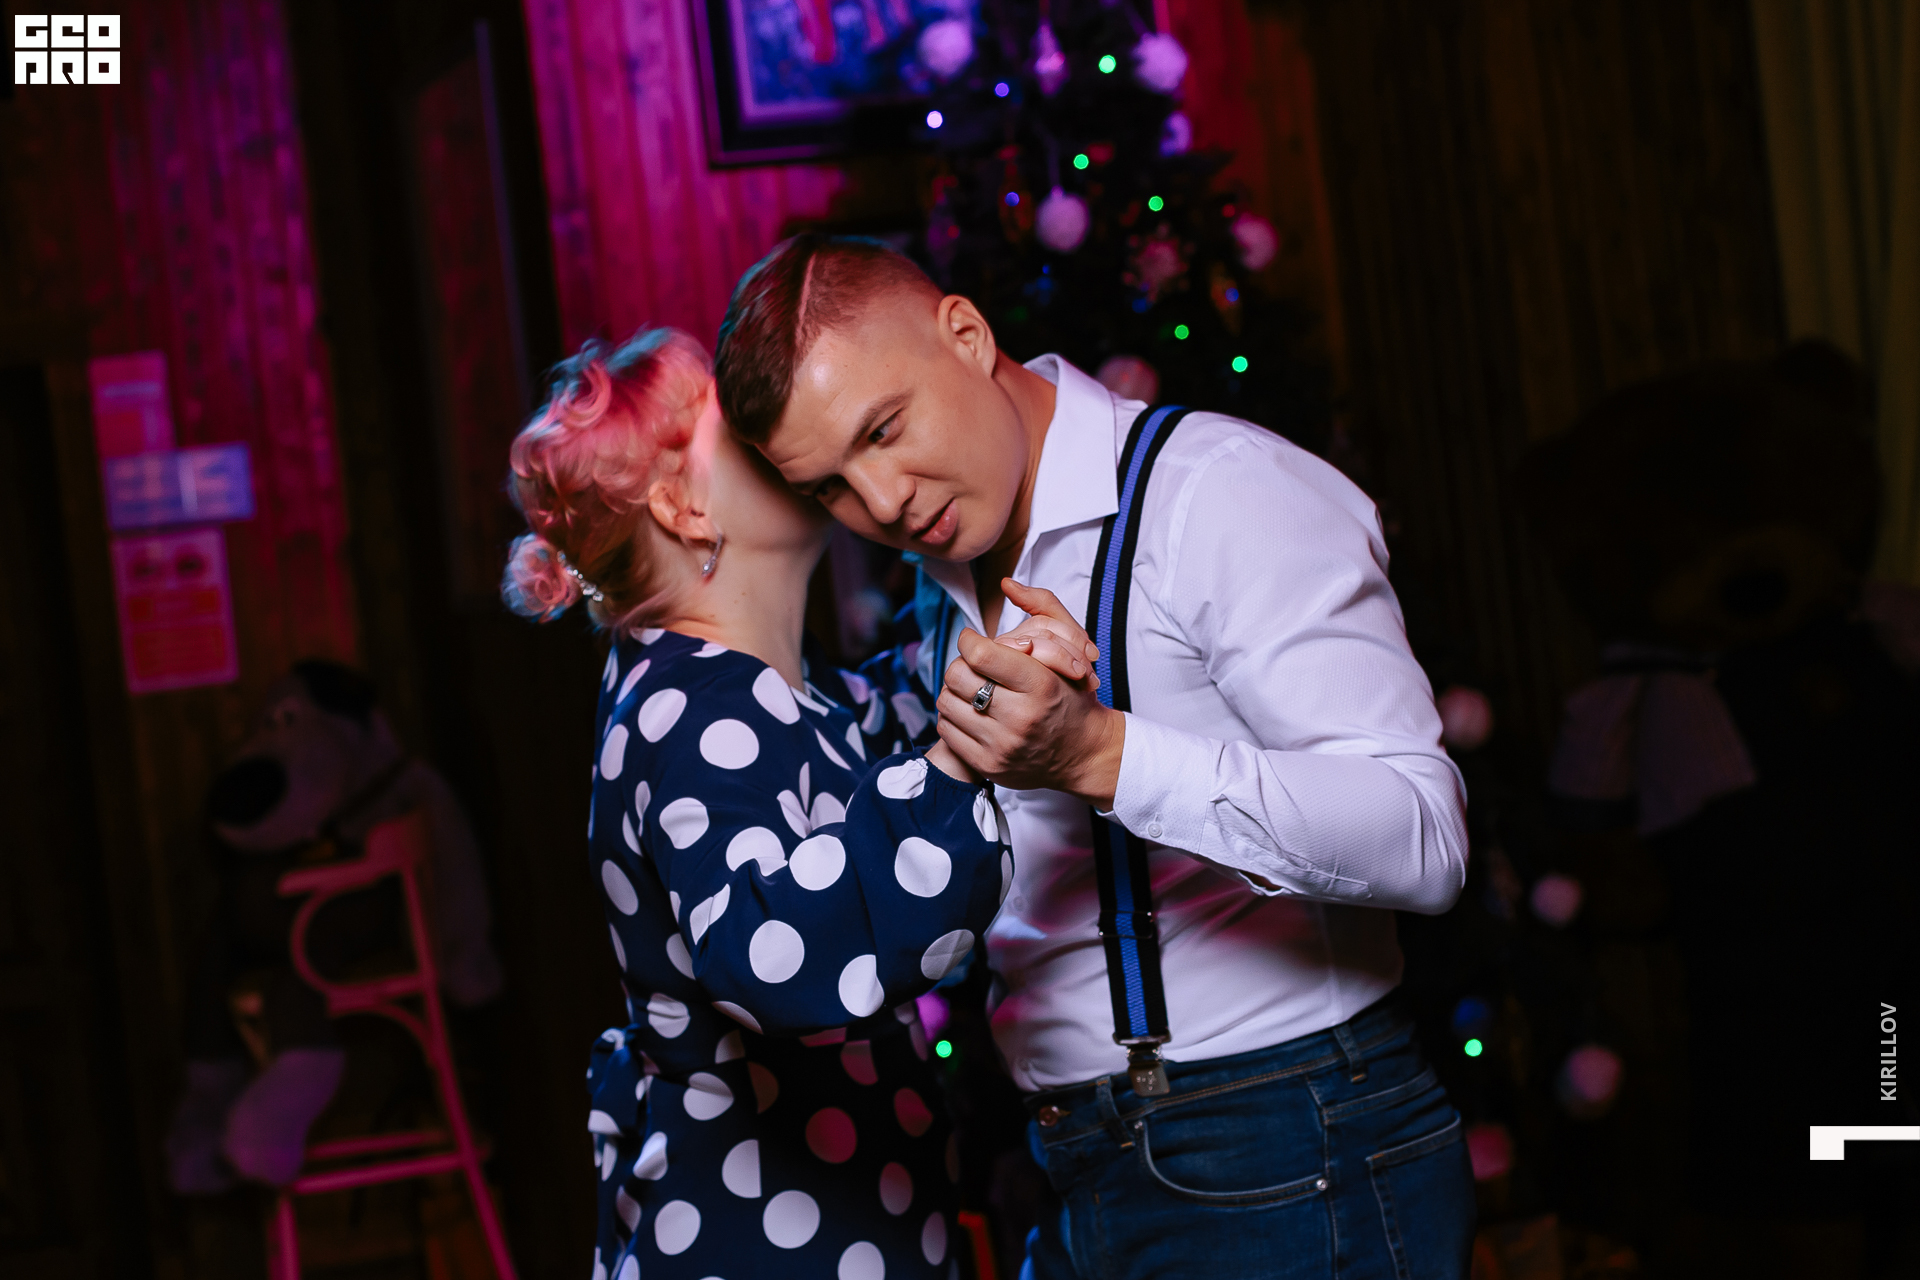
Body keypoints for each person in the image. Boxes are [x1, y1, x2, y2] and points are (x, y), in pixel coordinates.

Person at [713, 235, 1478, 1278]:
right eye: (831, 487)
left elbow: (1425, 837)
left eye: (883, 429)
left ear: (967, 335)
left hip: (1290, 1144)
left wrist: (1102, 752)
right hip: (1076, 1161)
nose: (882, 502)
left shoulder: (1216, 491)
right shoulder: (946, 569)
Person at [500, 327, 1095, 1280]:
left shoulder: (769, 690)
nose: (772, 418)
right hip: (766, 1241)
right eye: (735, 421)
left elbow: (879, 721)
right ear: (684, 508)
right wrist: (956, 760)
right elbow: (768, 953)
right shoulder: (688, 709)